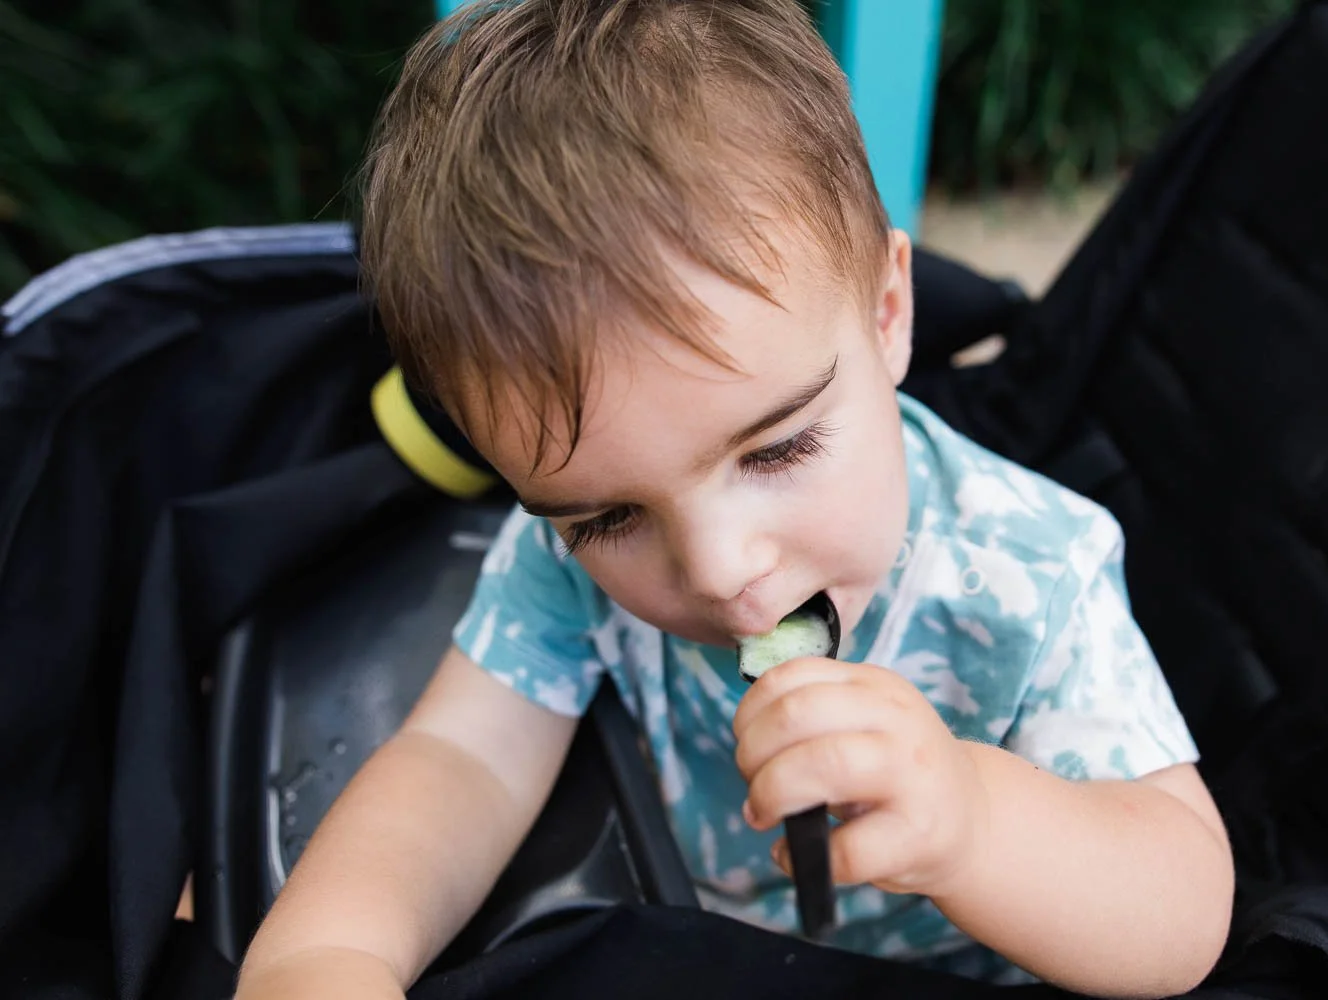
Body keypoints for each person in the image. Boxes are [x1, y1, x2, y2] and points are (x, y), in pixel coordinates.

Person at [234, 1, 1234, 996]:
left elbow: (1183, 905)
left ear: (888, 314)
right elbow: (459, 760)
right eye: (611, 517)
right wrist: (328, 952)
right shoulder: (560, 561)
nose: (719, 569)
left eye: (777, 449)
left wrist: (973, 819)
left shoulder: (1034, 572)